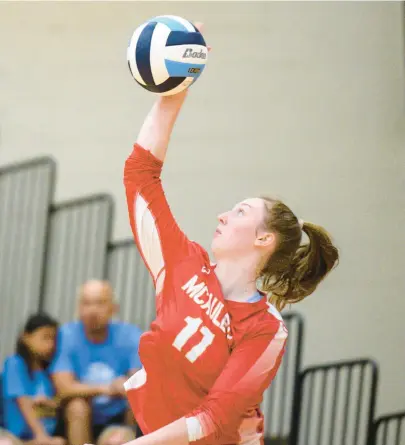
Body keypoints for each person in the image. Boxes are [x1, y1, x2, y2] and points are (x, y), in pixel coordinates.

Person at [118, 23, 339, 445]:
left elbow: (212, 420)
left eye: (239, 211)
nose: (222, 215)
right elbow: (140, 175)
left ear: (264, 239)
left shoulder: (265, 328)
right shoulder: (183, 264)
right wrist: (177, 86)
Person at [49, 280, 142, 445]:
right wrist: (107, 388)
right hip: (80, 415)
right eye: (87, 304)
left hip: (121, 413)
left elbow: (139, 382)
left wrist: (125, 386)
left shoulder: (130, 335)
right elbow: (63, 388)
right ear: (79, 308)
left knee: (138, 402)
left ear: (113, 308)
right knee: (77, 406)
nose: (92, 310)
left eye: (100, 303)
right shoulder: (67, 334)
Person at [2, 313, 65, 445]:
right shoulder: (15, 363)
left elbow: (59, 402)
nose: (51, 344)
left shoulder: (50, 371)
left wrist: (51, 404)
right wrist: (41, 435)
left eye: (53, 339)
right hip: (16, 437)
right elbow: (23, 401)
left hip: (46, 435)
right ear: (26, 337)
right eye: (45, 338)